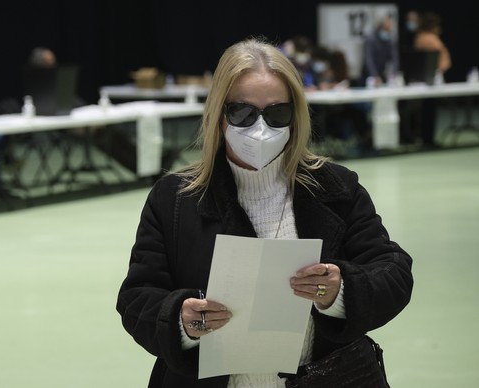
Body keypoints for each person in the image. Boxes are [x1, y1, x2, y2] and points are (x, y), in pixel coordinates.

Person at [116, 38, 414, 387]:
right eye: (242, 113)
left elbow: (394, 273)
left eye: (277, 113)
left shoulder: (336, 189)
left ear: (295, 113)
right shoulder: (175, 198)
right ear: (218, 114)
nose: (260, 129)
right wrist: (181, 320)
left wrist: (340, 290)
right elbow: (137, 297)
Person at [414, 12, 451, 146]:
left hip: (430, 77)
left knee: (427, 109)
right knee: (427, 110)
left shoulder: (422, 37)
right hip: (429, 78)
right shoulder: (428, 39)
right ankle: (427, 139)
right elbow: (441, 57)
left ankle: (427, 138)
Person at [362, 16, 399, 86]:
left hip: (381, 72)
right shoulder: (370, 39)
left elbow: (394, 58)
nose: (388, 32)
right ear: (380, 27)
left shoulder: (389, 39)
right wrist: (374, 75)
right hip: (368, 75)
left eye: (389, 30)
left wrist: (393, 74)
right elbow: (368, 59)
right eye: (386, 29)